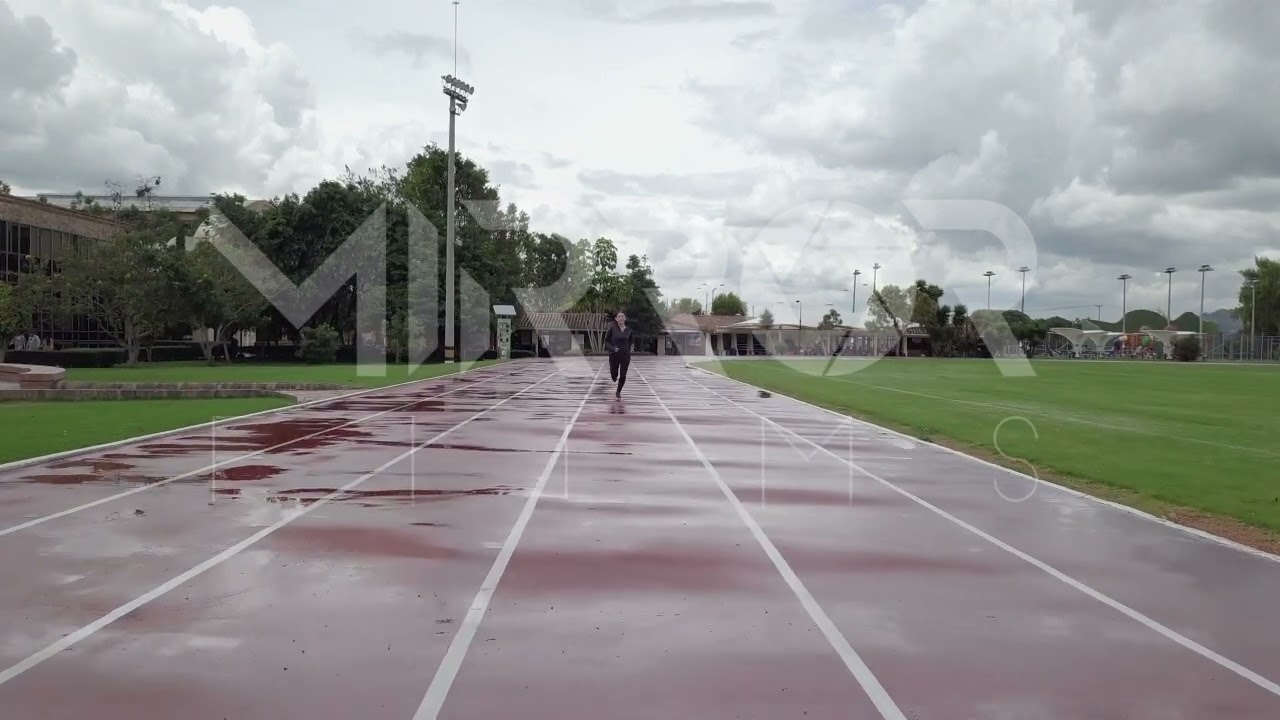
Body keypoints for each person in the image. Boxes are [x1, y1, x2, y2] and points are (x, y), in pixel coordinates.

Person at [606, 310, 632, 398]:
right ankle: (614, 375)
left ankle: (618, 392)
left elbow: (631, 341)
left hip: (625, 355)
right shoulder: (612, 329)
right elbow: (607, 341)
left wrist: (630, 348)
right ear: (616, 319)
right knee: (614, 376)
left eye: (622, 316)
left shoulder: (628, 330)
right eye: (619, 316)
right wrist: (613, 348)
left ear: (625, 318)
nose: (621, 318)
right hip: (614, 355)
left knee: (623, 375)